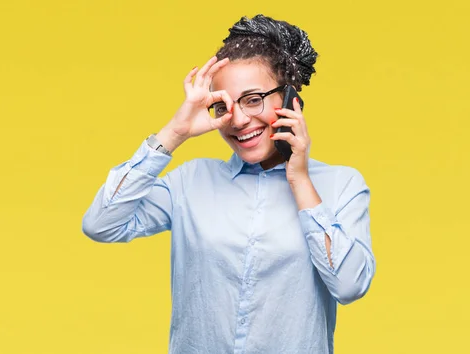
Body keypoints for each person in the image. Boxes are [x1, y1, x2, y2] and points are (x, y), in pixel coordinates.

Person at [82, 14, 375, 354]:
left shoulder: (341, 185)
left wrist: (299, 179)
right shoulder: (190, 182)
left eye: (253, 99)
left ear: (292, 100)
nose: (237, 120)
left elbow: (350, 285)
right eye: (223, 106)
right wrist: (174, 133)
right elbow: (101, 224)